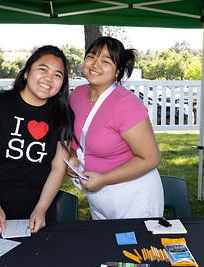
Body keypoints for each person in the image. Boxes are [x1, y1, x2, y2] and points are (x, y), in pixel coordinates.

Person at [0, 45, 75, 234]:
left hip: (38, 211)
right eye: (43, 69)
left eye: (58, 75)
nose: (49, 78)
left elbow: (58, 168)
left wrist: (41, 208)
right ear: (26, 72)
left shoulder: (63, 115)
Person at [68, 36, 164, 219]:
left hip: (133, 195)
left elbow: (151, 158)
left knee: (135, 247)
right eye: (91, 56)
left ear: (117, 71)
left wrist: (104, 179)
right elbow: (78, 140)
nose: (95, 64)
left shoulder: (127, 105)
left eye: (105, 61)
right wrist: (72, 158)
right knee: (106, 245)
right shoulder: (77, 95)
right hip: (97, 196)